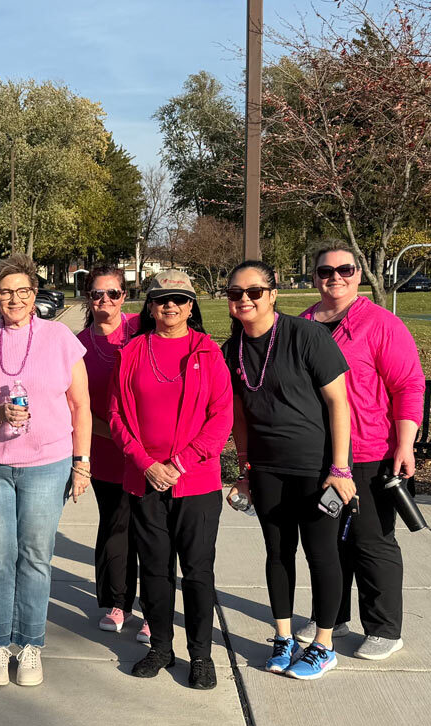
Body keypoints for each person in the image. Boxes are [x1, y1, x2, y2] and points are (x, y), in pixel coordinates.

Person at [0, 255, 92, 687]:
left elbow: (80, 405)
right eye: (5, 291)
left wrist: (81, 463)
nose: (14, 299)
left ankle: (29, 645)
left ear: (35, 296)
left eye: (23, 291)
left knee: (34, 557)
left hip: (46, 465)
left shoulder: (60, 338)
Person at [223, 260, 356, 681]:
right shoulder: (233, 350)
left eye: (254, 292)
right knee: (277, 553)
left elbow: (339, 404)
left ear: (273, 294)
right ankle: (283, 638)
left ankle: (324, 644)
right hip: (267, 469)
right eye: (236, 294)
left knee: (322, 554)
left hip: (318, 469)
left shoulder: (307, 336)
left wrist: (341, 469)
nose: (245, 299)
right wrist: (244, 468)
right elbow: (239, 416)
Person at [297, 242, 425, 661]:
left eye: (344, 270)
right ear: (313, 276)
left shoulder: (380, 324)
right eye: (325, 271)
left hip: (369, 452)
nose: (334, 277)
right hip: (318, 454)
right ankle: (331, 619)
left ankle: (385, 627)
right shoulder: (301, 325)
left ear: (358, 274)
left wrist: (404, 444)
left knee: (371, 540)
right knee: (326, 541)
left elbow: (408, 385)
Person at [111, 270, 233, 690]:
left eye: (180, 299)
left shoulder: (208, 353)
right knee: (155, 571)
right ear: (149, 305)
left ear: (191, 306)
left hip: (196, 484)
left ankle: (201, 654)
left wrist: (178, 464)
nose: (171, 306)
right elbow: (116, 417)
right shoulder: (131, 353)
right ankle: (161, 647)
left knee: (198, 572)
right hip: (144, 481)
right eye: (162, 298)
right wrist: (146, 463)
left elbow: (221, 418)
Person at [73, 264, 149, 641]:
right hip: (105, 449)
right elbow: (76, 406)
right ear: (88, 298)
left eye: (113, 293)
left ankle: (154, 607)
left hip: (148, 451)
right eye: (97, 294)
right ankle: (118, 602)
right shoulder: (77, 345)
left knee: (150, 529)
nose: (105, 300)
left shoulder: (142, 330)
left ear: (125, 295)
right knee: (116, 526)